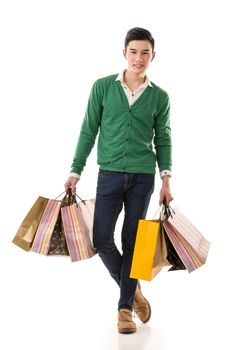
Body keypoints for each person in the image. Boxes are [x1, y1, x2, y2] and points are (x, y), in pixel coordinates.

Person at [64, 27, 173, 334]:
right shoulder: (102, 87)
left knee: (133, 242)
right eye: (134, 52)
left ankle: (124, 309)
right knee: (101, 239)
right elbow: (88, 131)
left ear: (153, 56)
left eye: (145, 53)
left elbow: (163, 139)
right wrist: (75, 171)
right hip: (109, 174)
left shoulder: (160, 97)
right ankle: (133, 291)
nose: (139, 58)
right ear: (124, 53)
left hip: (142, 177)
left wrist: (166, 179)